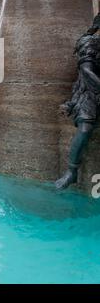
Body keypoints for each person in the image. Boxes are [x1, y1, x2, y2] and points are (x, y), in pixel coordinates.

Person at [56, 13, 100, 190]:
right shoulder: (90, 41)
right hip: (89, 92)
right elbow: (87, 70)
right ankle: (71, 171)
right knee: (85, 127)